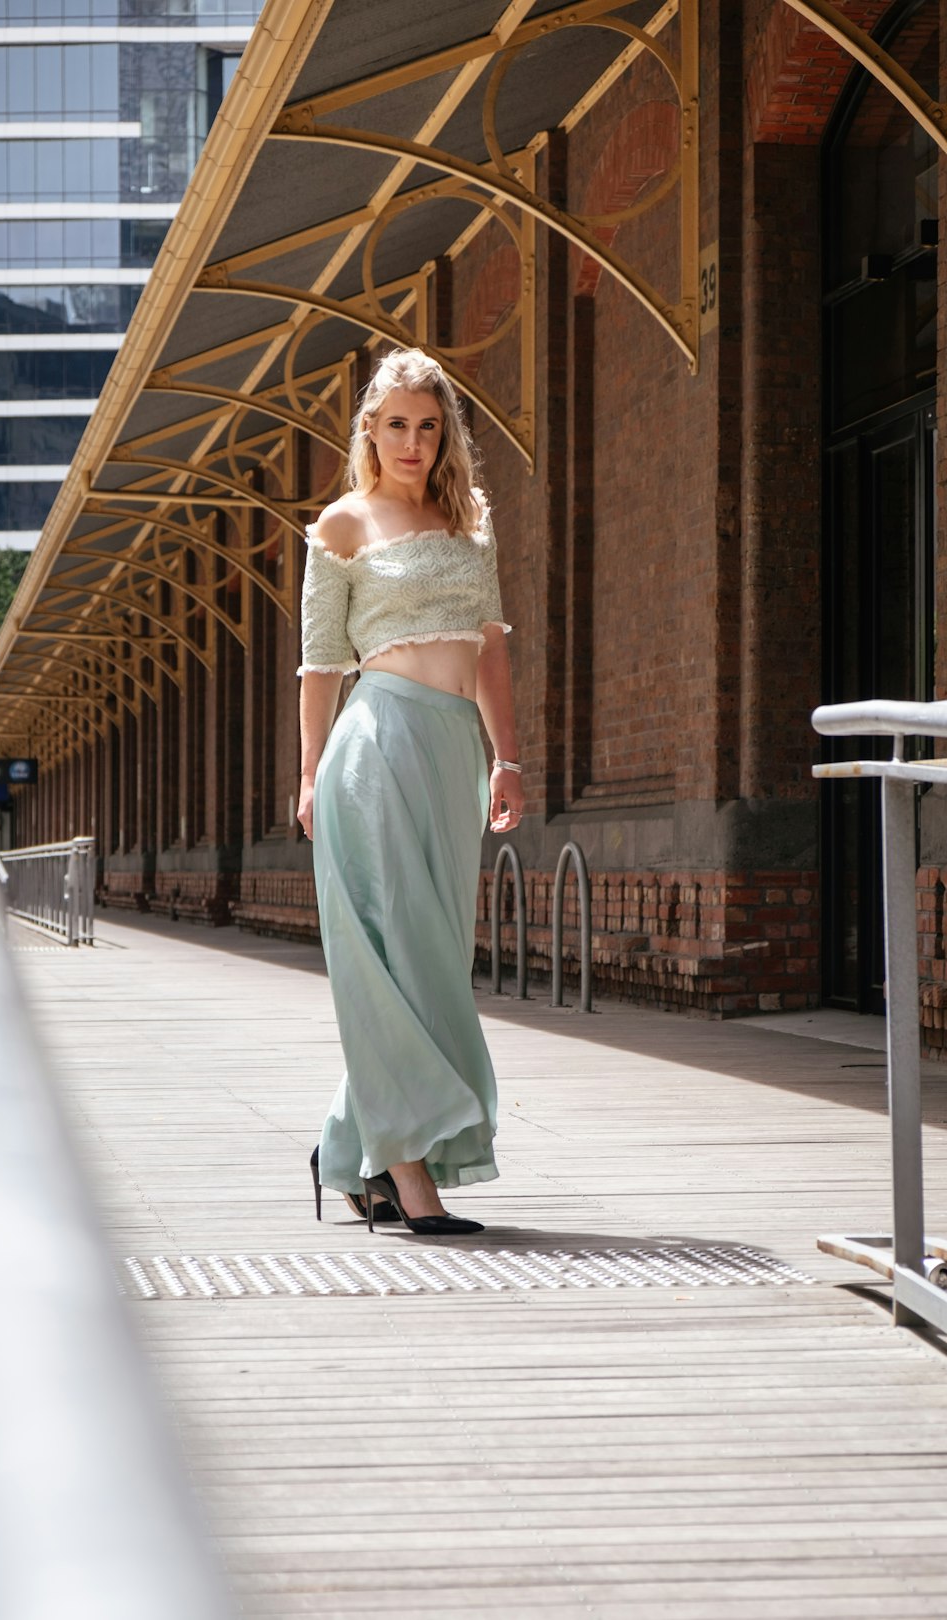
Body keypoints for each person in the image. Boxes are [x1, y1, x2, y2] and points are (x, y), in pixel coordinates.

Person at [298, 347, 523, 1235]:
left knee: (433, 956)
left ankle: (345, 1149)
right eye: (396, 424)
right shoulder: (342, 526)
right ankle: (409, 1178)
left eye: (428, 427)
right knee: (395, 950)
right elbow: (320, 665)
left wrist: (507, 758)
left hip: (452, 751)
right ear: (370, 430)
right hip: (377, 740)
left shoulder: (472, 521)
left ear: (446, 435)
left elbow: (493, 648)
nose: (413, 442)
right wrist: (309, 773)